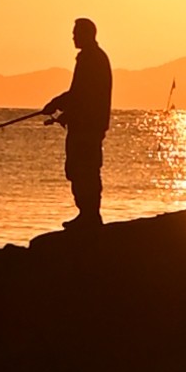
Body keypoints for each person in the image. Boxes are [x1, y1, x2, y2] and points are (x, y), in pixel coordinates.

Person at [40, 15, 114, 227]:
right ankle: (88, 214)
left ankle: (89, 216)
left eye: (75, 33)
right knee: (81, 169)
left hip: (87, 126)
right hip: (87, 124)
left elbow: (82, 94)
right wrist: (63, 110)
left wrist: (57, 104)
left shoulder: (90, 58)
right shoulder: (94, 57)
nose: (72, 37)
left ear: (86, 34)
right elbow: (81, 95)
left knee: (83, 169)